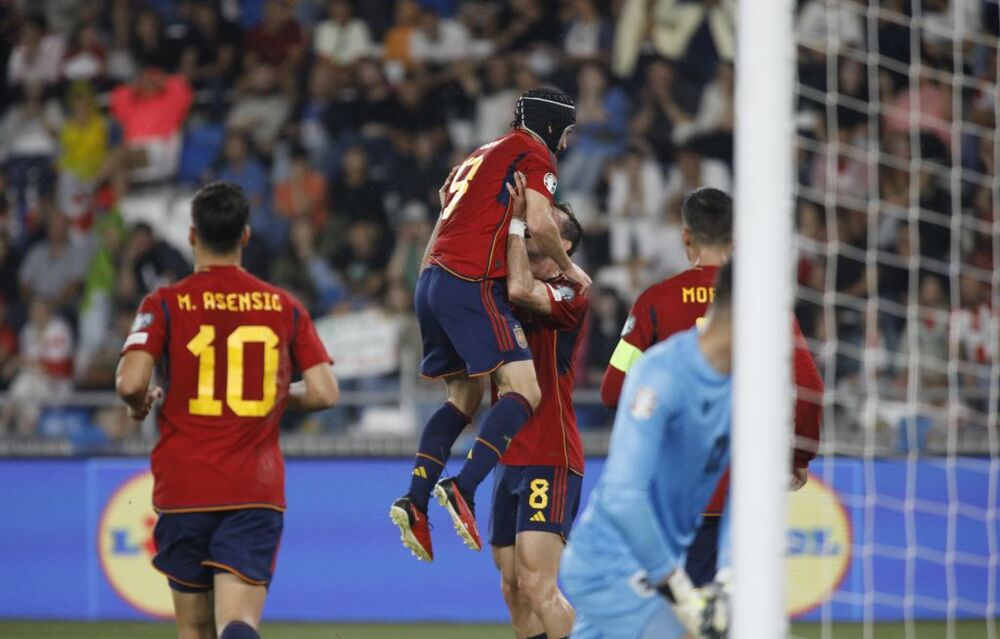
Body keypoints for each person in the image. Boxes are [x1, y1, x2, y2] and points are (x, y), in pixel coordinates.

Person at [115, 182, 339, 639]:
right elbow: (323, 392)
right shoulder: (283, 305)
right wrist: (275, 393)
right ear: (246, 236)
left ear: (192, 236)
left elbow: (132, 381)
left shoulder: (164, 304)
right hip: (252, 487)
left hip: (184, 488)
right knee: (237, 624)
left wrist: (141, 404)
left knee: (194, 630)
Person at [390, 88, 591, 556]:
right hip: (468, 279)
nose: (562, 144)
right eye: (564, 132)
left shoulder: (477, 156)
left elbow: (445, 217)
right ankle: (464, 486)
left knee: (464, 395)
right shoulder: (534, 154)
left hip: (431, 279)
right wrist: (570, 266)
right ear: (550, 125)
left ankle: (416, 499)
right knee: (526, 389)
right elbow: (541, 223)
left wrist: (432, 282)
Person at [600, 187, 824, 587]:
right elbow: (810, 386)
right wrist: (797, 457)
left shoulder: (654, 302)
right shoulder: (763, 303)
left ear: (686, 237)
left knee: (676, 617)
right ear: (737, 237)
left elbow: (613, 391)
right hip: (745, 490)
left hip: (673, 495)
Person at [561, 261, 736, 639]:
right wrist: (679, 591)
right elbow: (624, 497)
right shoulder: (662, 373)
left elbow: (749, 492)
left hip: (661, 564)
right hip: (611, 566)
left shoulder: (748, 387)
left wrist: (728, 576)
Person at [491, 176, 588, 639]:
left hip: (551, 453)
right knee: (512, 586)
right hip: (507, 454)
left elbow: (522, 292)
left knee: (537, 582)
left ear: (562, 243)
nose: (531, 230)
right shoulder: (501, 278)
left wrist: (512, 224)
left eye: (541, 226)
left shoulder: (574, 290)